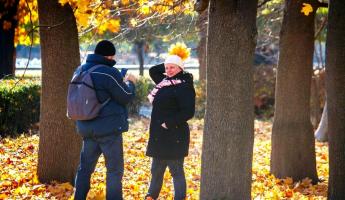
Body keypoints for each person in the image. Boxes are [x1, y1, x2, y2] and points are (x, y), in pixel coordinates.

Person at [73, 40, 136, 200]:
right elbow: (126, 96)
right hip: (109, 131)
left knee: (85, 169)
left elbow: (100, 91)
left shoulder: (80, 70)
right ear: (109, 56)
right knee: (114, 170)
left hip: (87, 128)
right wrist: (130, 83)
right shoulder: (109, 72)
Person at [145, 54, 196, 200]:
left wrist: (168, 123)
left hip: (175, 135)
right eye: (167, 68)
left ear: (181, 68)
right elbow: (153, 70)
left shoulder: (185, 85)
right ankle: (151, 196)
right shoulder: (165, 81)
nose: (169, 70)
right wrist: (170, 62)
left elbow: (188, 112)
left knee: (176, 172)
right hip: (158, 136)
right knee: (156, 170)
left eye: (172, 67)